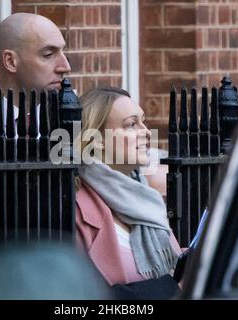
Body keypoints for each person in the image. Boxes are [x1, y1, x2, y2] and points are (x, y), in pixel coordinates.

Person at [75, 87, 183, 297]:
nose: (146, 131)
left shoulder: (146, 197)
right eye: (131, 125)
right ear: (96, 138)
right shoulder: (77, 209)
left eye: (143, 121)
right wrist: (167, 289)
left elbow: (170, 263)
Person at [0, 12, 71, 123]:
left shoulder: (72, 120)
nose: (66, 67)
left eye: (63, 52)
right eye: (48, 54)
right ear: (10, 62)